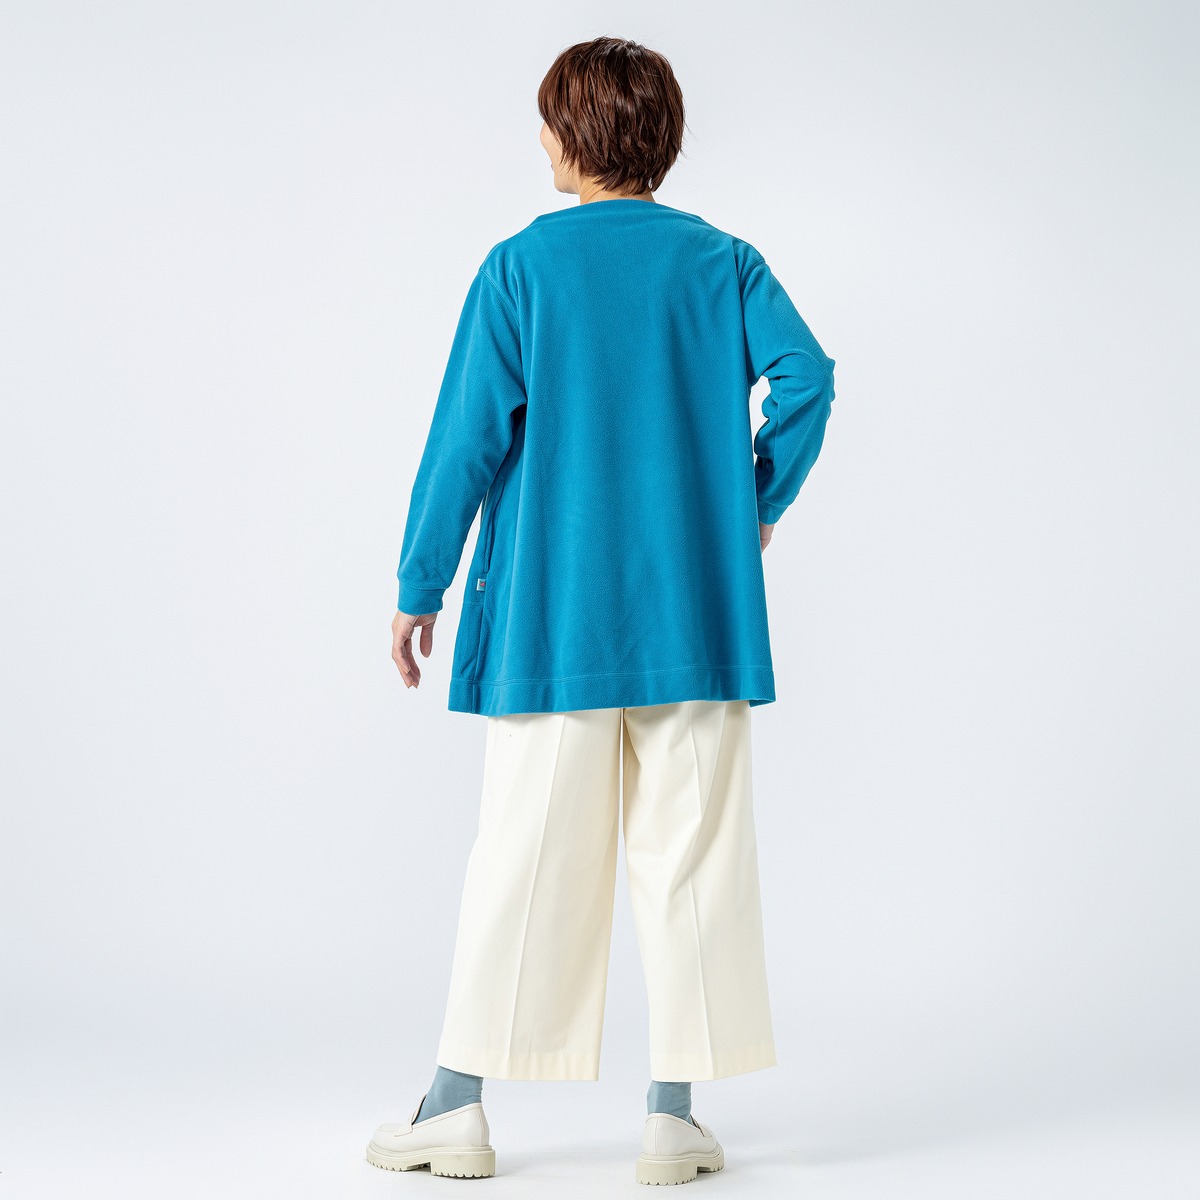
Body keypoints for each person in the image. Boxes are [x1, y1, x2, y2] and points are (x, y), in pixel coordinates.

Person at [366, 36, 835, 1186]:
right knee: (694, 862)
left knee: (524, 860)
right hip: (697, 617)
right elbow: (809, 377)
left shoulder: (520, 269)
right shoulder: (724, 263)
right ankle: (672, 1120)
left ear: (575, 136)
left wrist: (420, 584)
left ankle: (454, 1108)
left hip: (554, 620)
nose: (539, 139)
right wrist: (754, 502)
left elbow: (465, 442)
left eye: (547, 120)